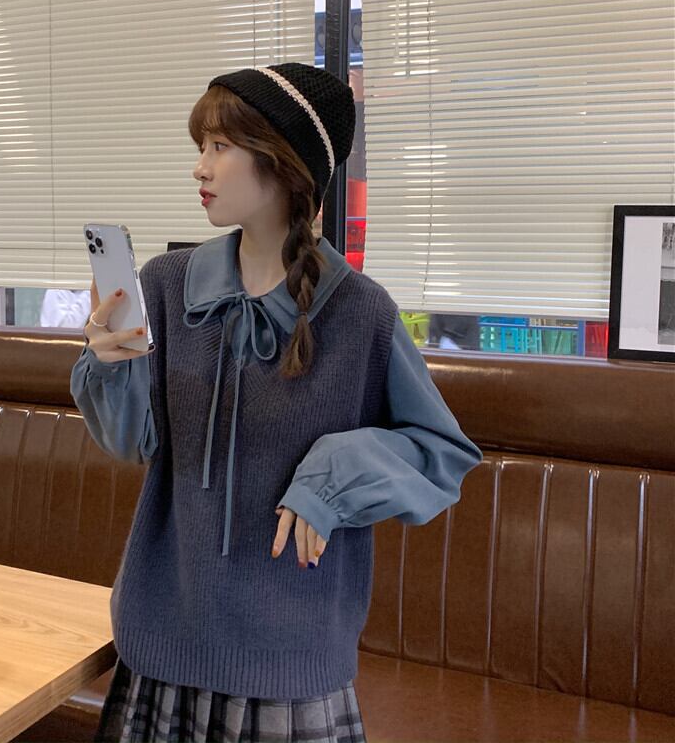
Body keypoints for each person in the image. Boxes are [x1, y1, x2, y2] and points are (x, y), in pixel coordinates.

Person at [70, 62, 483, 743]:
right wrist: (108, 364)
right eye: (200, 146)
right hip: (163, 643)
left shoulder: (360, 312)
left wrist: (330, 480)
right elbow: (129, 442)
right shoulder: (167, 286)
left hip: (289, 665)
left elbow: (441, 453)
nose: (200, 167)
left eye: (220, 146)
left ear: (283, 162)